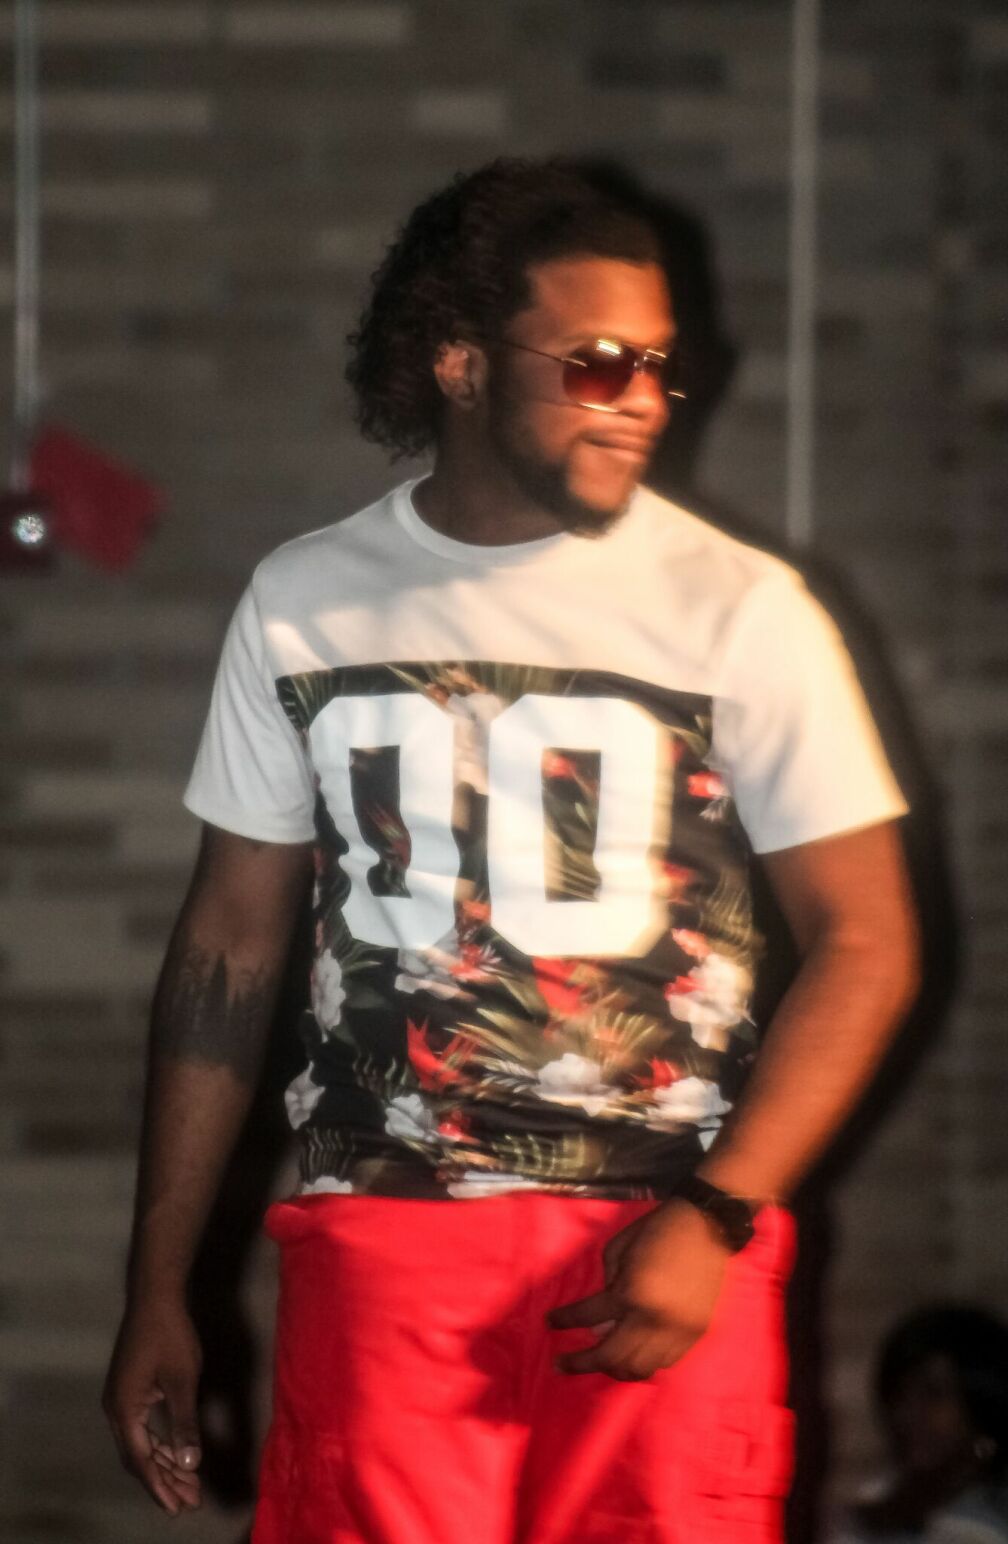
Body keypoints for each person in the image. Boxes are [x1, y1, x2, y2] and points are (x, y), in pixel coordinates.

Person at [103, 157, 920, 1544]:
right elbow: (226, 952)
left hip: (661, 1250)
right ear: (461, 362)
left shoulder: (746, 609)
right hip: (386, 1245)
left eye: (661, 364)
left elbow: (871, 941)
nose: (643, 398)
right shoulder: (304, 599)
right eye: (599, 363)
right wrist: (158, 1284)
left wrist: (719, 1213)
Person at [828, 1303, 1008, 1544]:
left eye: (933, 1394)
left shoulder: (990, 1530)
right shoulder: (879, 1501)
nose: (907, 1413)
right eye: (900, 1394)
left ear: (984, 1407)